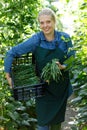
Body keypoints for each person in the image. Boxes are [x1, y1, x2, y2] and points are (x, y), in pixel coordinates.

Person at [4, 8, 75, 130]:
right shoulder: (36, 40)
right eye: (42, 23)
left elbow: (72, 59)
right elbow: (12, 52)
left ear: (54, 22)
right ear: (39, 24)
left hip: (60, 88)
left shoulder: (65, 39)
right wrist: (7, 74)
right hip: (43, 88)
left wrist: (63, 67)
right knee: (42, 124)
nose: (45, 26)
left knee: (57, 124)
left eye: (48, 22)